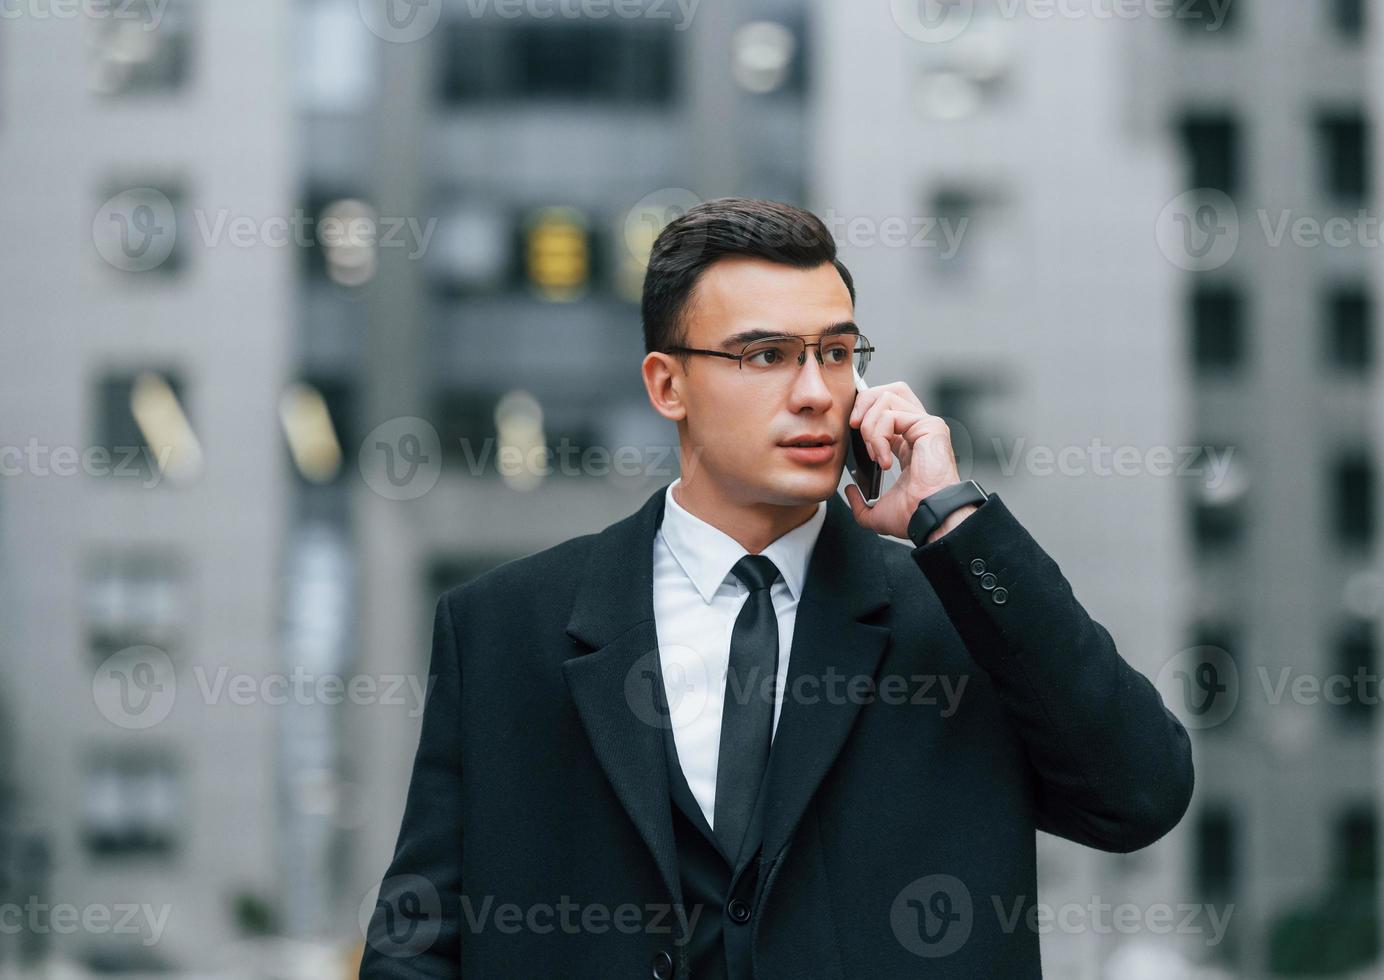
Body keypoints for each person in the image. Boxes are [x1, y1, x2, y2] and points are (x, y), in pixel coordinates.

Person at [360, 197, 1194, 979]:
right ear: (666, 385)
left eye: (835, 354)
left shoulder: (960, 616)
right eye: (766, 355)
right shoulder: (506, 628)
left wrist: (950, 520)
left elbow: (1140, 796)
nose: (815, 393)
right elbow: (418, 941)